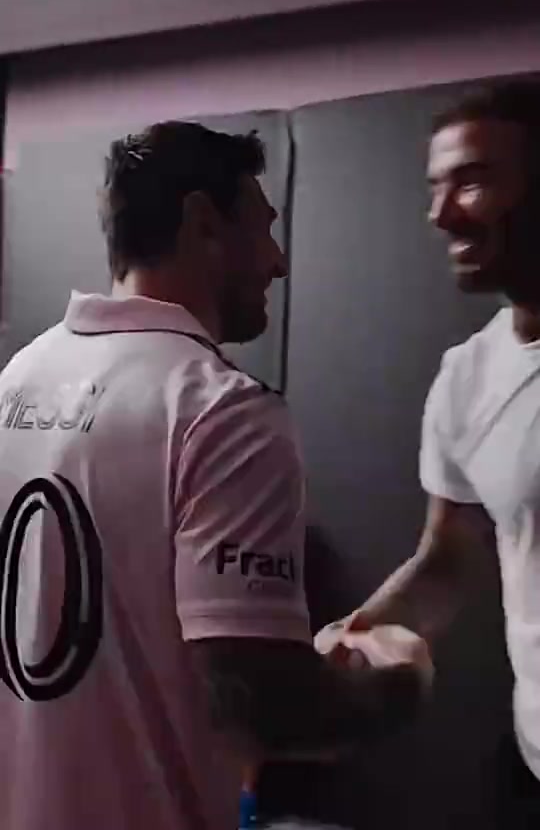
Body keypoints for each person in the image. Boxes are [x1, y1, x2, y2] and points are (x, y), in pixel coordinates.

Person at [0, 121, 431, 830]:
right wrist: (399, 680)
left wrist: (289, 651)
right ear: (204, 223)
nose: (278, 262)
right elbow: (260, 707)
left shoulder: (20, 376)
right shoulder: (223, 410)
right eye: (263, 229)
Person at [321, 80, 540, 828]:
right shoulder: (467, 377)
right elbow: (449, 558)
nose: (441, 214)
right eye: (435, 188)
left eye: (471, 182)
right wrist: (348, 643)